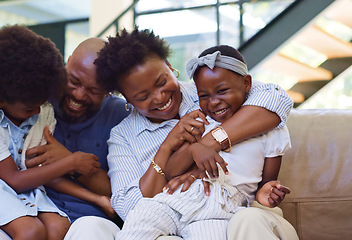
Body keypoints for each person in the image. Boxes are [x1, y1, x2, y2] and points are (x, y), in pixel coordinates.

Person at [94, 28, 298, 239]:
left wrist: (209, 143)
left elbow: (276, 99)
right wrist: (167, 147)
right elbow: (130, 208)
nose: (159, 97)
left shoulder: (206, 91)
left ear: (170, 66)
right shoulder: (123, 136)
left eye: (162, 82)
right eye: (142, 96)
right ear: (127, 99)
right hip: (169, 212)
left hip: (221, 209)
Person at [0, 37, 129, 239]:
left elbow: (123, 189)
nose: (79, 95)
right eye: (74, 81)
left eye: (94, 91)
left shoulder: (120, 115)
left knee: (91, 230)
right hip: (15, 209)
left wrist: (69, 161)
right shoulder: (37, 94)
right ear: (67, 63)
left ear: (109, 90)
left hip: (81, 219)